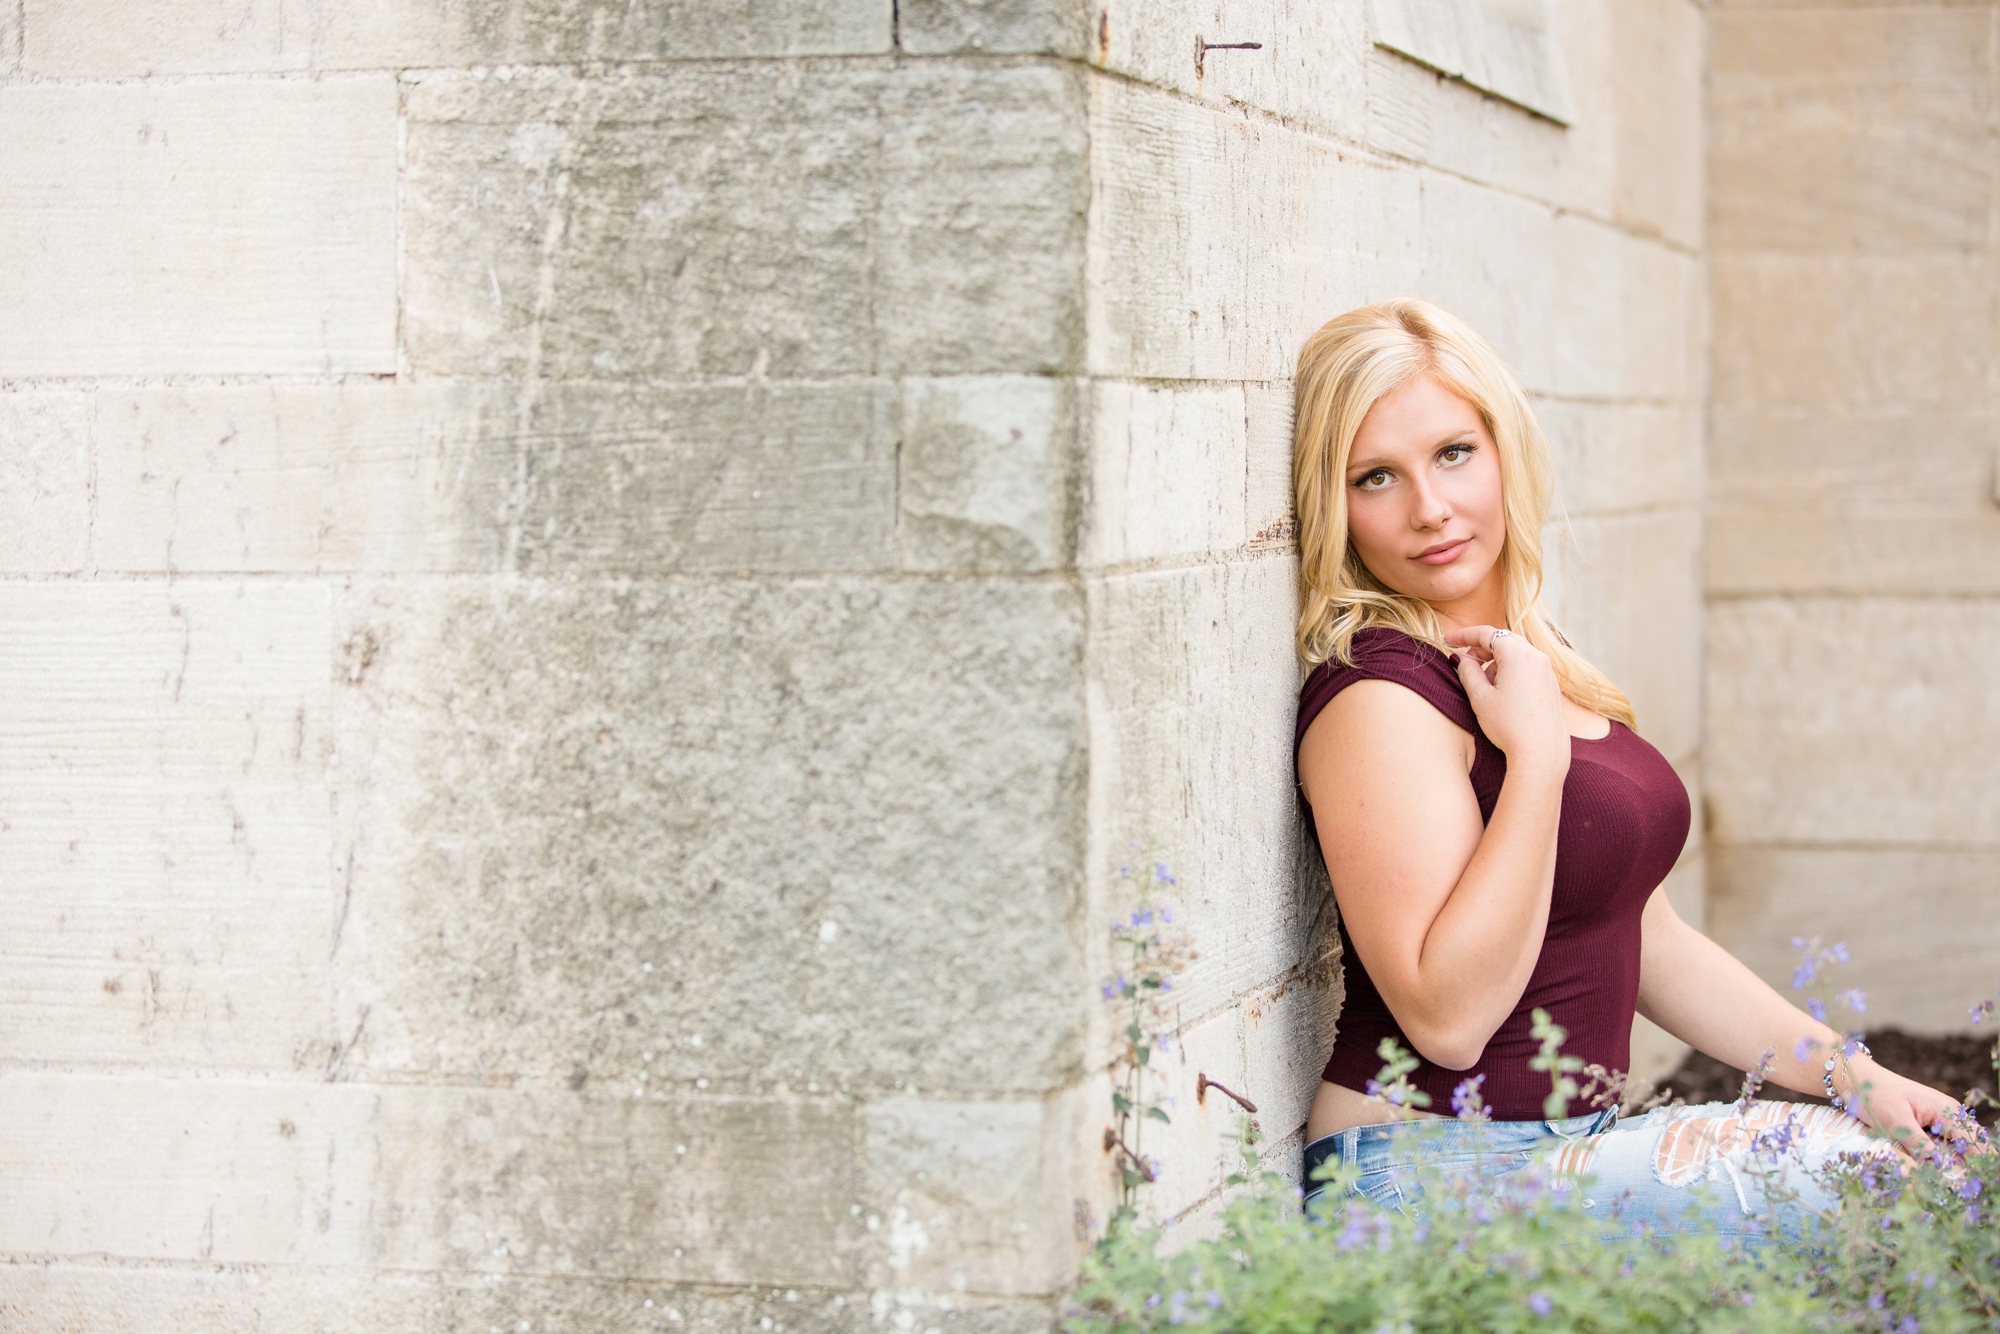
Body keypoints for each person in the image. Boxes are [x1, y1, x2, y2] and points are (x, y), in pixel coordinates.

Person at [1290, 298, 1968, 1235]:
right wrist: (1535, 761)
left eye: (1453, 454)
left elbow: (1650, 940)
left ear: (1503, 450)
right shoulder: (1380, 694)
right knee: (1861, 1192)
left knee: (1898, 1160)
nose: (1430, 508)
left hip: (1566, 1155)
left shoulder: (1528, 662)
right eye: (1376, 477)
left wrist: (1860, 1080)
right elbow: (1448, 1021)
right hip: (1429, 1174)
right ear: (1336, 504)